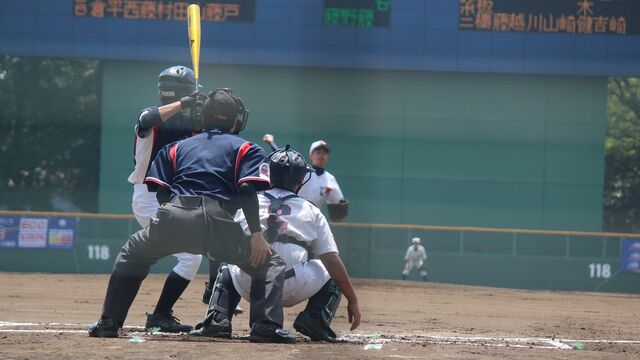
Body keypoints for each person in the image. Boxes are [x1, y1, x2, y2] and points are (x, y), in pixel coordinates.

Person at [89, 89, 296, 344]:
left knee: (132, 254)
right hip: (217, 220)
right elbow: (246, 189)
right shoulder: (246, 148)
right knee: (270, 263)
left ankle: (109, 323)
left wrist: (171, 221)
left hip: (173, 214)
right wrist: (255, 234)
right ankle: (265, 326)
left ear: (202, 118)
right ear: (236, 121)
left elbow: (161, 192)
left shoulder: (176, 147)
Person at [190, 146, 361, 342]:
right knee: (331, 267)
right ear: (300, 180)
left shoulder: (251, 203)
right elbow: (331, 259)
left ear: (268, 177)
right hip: (293, 286)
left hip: (248, 284)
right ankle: (315, 320)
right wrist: (353, 299)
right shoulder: (311, 210)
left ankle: (217, 319)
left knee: (228, 263)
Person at [127, 65, 203, 333]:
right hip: (149, 198)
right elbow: (148, 119)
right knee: (190, 256)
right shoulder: (150, 117)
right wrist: (185, 103)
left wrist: (200, 114)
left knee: (190, 254)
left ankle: (151, 314)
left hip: (171, 199)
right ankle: (158, 315)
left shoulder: (187, 125)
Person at [262, 135, 349, 222]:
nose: (321, 155)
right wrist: (271, 143)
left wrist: (339, 209)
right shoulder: (303, 171)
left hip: (312, 217)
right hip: (291, 212)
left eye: (324, 153)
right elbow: (284, 159)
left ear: (327, 157)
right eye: (318, 152)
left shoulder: (330, 180)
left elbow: (337, 203)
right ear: (310, 156)